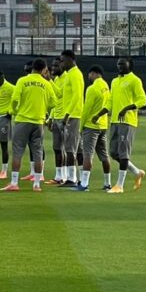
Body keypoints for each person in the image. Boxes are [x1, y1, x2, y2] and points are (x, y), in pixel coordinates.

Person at [1, 58, 56, 192]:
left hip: (22, 120)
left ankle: (14, 183)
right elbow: (54, 102)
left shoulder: (22, 81)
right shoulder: (46, 83)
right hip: (38, 122)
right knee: (37, 153)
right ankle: (36, 184)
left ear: (32, 68)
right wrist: (44, 109)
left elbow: (14, 99)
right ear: (44, 69)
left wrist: (14, 110)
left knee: (18, 152)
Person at [97, 57, 146, 194]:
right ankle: (137, 172)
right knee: (113, 153)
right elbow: (110, 101)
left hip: (127, 121)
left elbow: (143, 100)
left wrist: (127, 108)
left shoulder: (134, 80)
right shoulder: (114, 81)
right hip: (114, 121)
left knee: (124, 153)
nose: (119, 67)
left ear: (129, 65)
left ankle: (119, 185)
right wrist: (99, 114)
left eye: (122, 64)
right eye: (118, 64)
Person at [77, 65, 112, 192]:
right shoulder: (106, 86)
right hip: (103, 125)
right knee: (104, 155)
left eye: (90, 74)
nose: (89, 77)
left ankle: (84, 184)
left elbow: (86, 109)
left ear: (94, 73)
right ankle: (107, 183)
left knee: (88, 155)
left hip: (91, 126)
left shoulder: (92, 89)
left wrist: (81, 127)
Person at [57, 50, 85, 187]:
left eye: (62, 60)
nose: (61, 63)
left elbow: (77, 96)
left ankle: (71, 179)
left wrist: (67, 114)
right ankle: (81, 178)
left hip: (73, 116)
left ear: (70, 59)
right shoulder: (71, 74)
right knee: (77, 149)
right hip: (72, 115)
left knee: (70, 148)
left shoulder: (75, 74)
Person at [46, 58, 66, 185]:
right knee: (57, 148)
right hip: (57, 116)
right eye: (52, 66)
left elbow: (59, 94)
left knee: (66, 149)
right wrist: (51, 118)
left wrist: (49, 81)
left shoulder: (67, 78)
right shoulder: (58, 79)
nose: (53, 69)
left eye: (55, 66)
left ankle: (67, 176)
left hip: (65, 117)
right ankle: (59, 176)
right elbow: (55, 101)